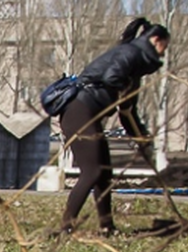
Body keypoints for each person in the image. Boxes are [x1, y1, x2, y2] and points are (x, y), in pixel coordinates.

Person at [56, 18, 169, 236]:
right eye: (164, 46)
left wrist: (142, 139)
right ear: (156, 40)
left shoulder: (134, 70)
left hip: (88, 115)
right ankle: (65, 227)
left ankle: (106, 226)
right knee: (92, 172)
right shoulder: (130, 53)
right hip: (78, 112)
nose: (163, 54)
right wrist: (124, 88)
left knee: (104, 173)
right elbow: (112, 77)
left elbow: (127, 114)